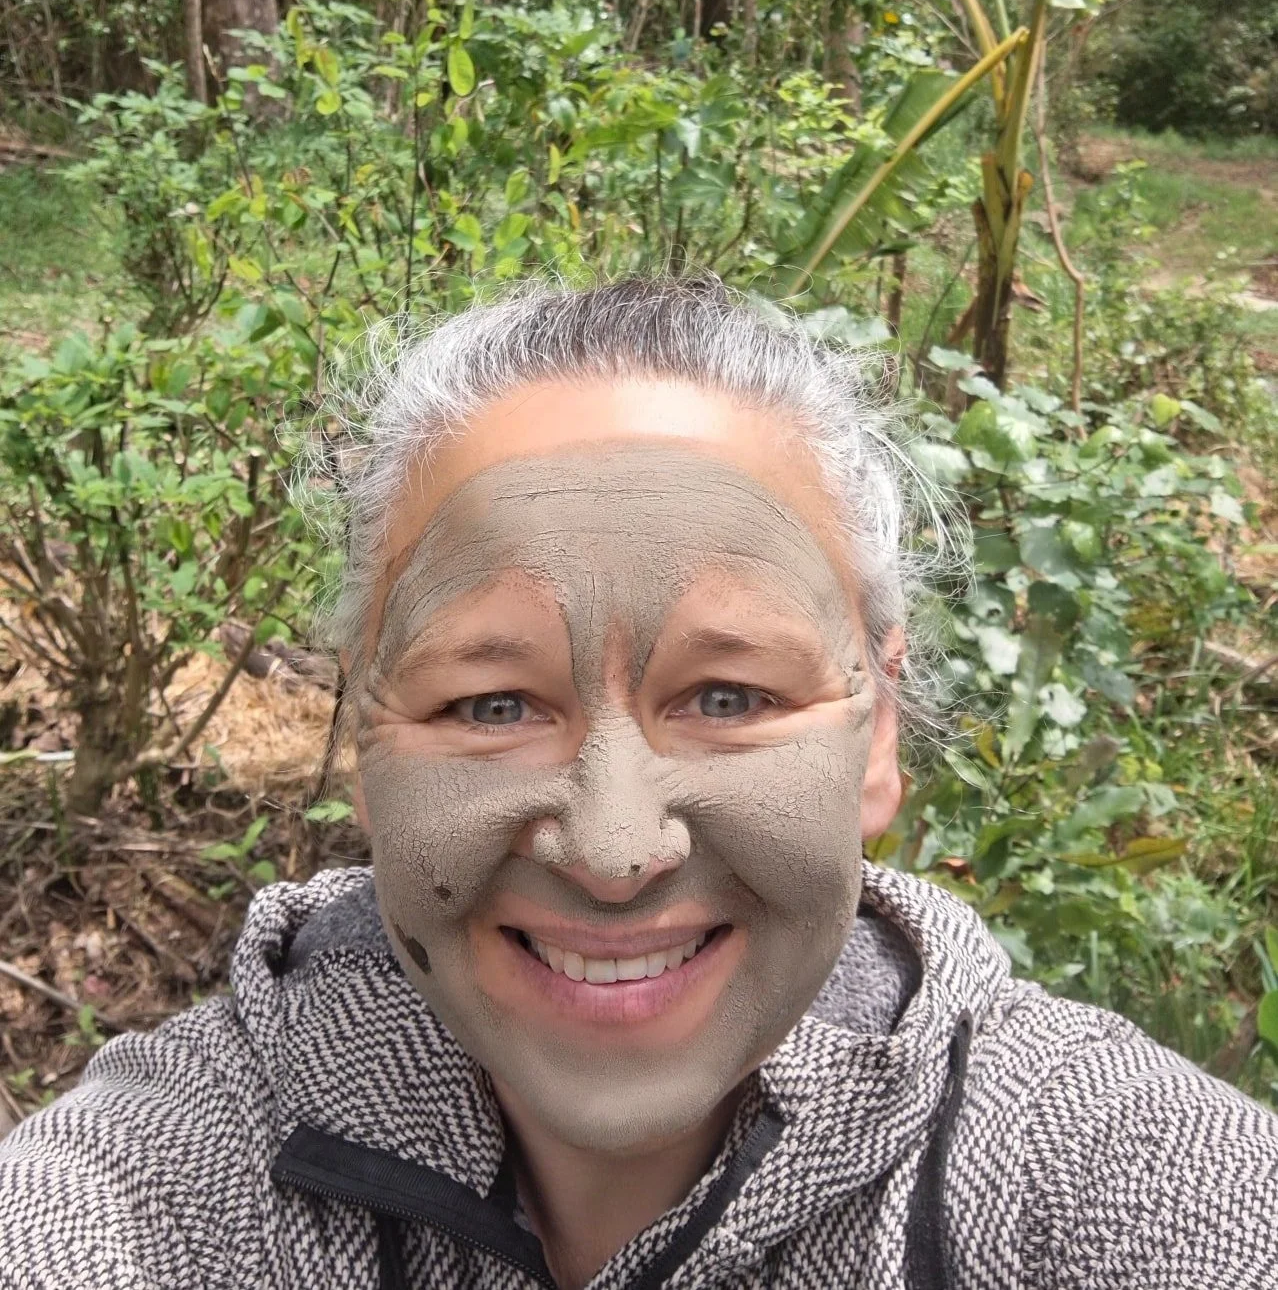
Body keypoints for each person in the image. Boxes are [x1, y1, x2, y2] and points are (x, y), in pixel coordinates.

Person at [1, 274, 1275, 1290]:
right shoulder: (163, 1179)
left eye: (730, 698)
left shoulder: (1096, 1176)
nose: (615, 850)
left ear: (879, 727)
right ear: (367, 748)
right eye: (492, 703)